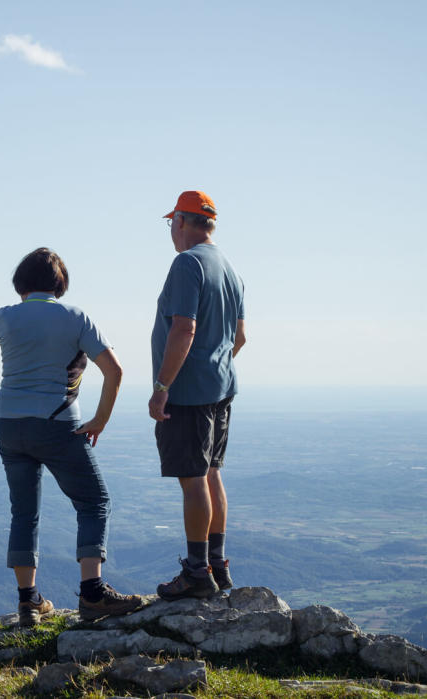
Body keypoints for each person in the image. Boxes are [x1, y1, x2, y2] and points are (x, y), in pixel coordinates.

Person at [0, 247, 142, 625]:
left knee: (24, 512)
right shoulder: (75, 318)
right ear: (60, 284)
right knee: (94, 501)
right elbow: (114, 371)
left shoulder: (6, 317)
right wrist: (100, 420)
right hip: (56, 423)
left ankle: (29, 600)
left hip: (8, 424)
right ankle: (92, 593)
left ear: (21, 283)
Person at [149, 191, 246, 600]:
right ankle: (217, 565)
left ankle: (195, 573)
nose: (171, 229)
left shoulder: (187, 264)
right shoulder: (229, 269)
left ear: (184, 222)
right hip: (221, 388)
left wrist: (162, 387)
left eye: (172, 221)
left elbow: (183, 328)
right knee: (211, 474)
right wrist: (214, 364)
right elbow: (240, 338)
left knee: (193, 481)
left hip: (188, 393)